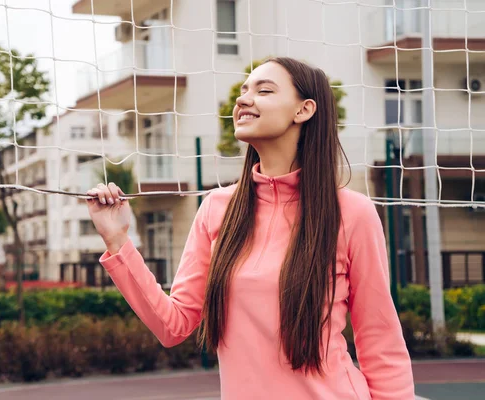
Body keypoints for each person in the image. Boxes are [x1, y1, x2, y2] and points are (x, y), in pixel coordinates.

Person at [86, 57, 415, 399]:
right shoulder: (217, 208)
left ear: (303, 110)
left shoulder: (352, 212)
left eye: (264, 90)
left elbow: (381, 341)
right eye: (244, 90)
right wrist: (117, 240)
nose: (243, 99)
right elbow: (173, 324)